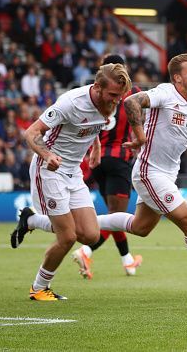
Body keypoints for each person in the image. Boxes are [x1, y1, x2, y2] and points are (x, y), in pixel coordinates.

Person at [17, 54, 187, 295]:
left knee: (138, 228)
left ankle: (34, 221)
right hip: (149, 173)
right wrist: (140, 135)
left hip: (165, 173)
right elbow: (133, 101)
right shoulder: (164, 93)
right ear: (177, 77)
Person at [10, 64, 132, 300]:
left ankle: (31, 220)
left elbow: (93, 125)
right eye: (113, 95)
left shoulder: (109, 102)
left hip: (73, 172)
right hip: (49, 169)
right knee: (67, 237)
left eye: (120, 96)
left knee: (90, 234)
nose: (116, 101)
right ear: (97, 88)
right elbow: (31, 133)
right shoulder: (71, 102)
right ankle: (39, 289)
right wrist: (47, 155)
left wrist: (95, 146)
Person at [72, 54, 143, 279]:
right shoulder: (132, 92)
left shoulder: (97, 92)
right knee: (118, 215)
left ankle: (128, 262)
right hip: (119, 159)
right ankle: (85, 251)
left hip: (97, 159)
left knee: (114, 216)